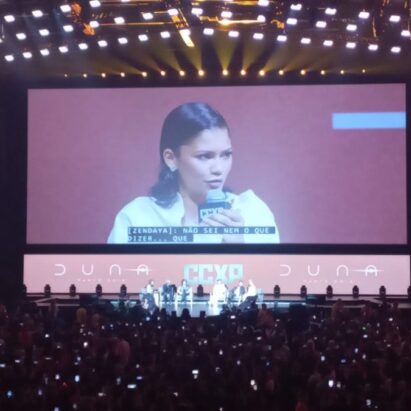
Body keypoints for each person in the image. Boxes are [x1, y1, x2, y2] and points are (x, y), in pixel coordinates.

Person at [107, 102, 280, 244]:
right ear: (171, 158)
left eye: (226, 155)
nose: (218, 169)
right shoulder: (137, 217)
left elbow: (275, 276)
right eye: (204, 156)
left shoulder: (253, 212)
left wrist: (241, 251)